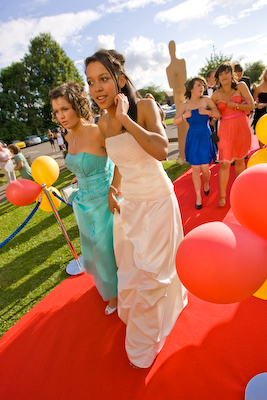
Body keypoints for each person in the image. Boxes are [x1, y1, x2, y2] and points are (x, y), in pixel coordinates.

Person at [85, 49, 187, 369]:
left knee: (154, 277)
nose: (97, 88)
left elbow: (160, 150)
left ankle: (141, 348)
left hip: (157, 202)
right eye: (90, 81)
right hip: (129, 207)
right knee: (131, 271)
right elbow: (120, 160)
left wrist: (126, 119)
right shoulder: (102, 122)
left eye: (104, 79)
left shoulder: (144, 106)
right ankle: (138, 320)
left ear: (121, 79)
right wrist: (115, 187)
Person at [49, 81, 118, 315]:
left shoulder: (98, 131)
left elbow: (119, 159)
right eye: (56, 111)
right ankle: (111, 287)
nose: (61, 116)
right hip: (83, 203)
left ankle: (116, 295)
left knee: (106, 249)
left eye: (64, 109)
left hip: (104, 201)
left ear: (77, 105)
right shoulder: (67, 137)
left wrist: (112, 187)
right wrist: (80, 176)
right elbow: (81, 163)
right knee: (95, 250)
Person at [212, 62, 254, 207]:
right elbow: (211, 111)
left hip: (241, 125)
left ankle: (241, 192)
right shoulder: (216, 94)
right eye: (221, 74)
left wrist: (235, 105)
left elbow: (251, 106)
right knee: (224, 163)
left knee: (240, 161)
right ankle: (223, 196)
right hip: (225, 128)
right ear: (218, 77)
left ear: (232, 74)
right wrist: (213, 115)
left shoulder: (241, 86)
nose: (224, 76)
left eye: (226, 73)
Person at [174, 77, 221, 209]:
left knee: (205, 169)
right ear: (191, 88)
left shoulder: (206, 100)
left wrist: (207, 112)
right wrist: (184, 116)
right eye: (199, 85)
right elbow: (175, 121)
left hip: (205, 136)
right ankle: (198, 197)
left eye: (203, 86)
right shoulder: (185, 105)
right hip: (193, 137)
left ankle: (206, 182)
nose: (202, 88)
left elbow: (218, 114)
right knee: (195, 169)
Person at [252, 67, 267, 148]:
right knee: (261, 133)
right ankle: (261, 150)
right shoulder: (259, 88)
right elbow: (252, 101)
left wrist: (265, 105)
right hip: (260, 114)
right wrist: (256, 105)